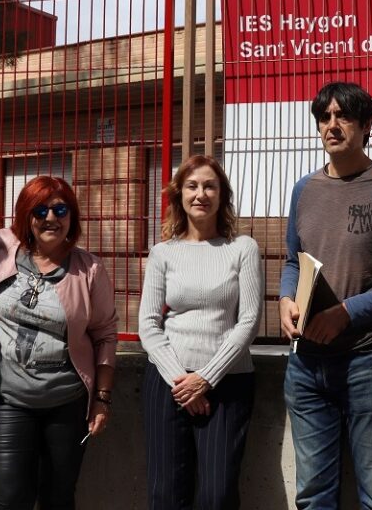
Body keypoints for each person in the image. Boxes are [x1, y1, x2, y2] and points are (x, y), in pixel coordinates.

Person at [278, 82, 372, 509]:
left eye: (343, 116)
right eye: (324, 117)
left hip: (370, 361)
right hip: (306, 366)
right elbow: (293, 260)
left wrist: (347, 312)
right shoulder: (303, 189)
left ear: (366, 125)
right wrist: (285, 299)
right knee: (312, 496)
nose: (332, 125)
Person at [0, 175, 119, 509]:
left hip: (66, 403)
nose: (51, 218)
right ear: (26, 215)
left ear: (72, 217)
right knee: (9, 500)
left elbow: (106, 335)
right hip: (11, 401)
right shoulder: (1, 249)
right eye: (40, 210)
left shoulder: (90, 269)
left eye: (60, 209)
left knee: (57, 499)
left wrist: (102, 399)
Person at [138, 155, 263, 510]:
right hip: (168, 384)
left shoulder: (242, 248)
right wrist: (183, 381)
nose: (201, 194)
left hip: (227, 384)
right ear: (179, 195)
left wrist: (205, 379)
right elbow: (147, 324)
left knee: (217, 495)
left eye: (210, 186)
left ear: (222, 195)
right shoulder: (164, 253)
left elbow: (249, 321)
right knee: (165, 495)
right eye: (192, 186)